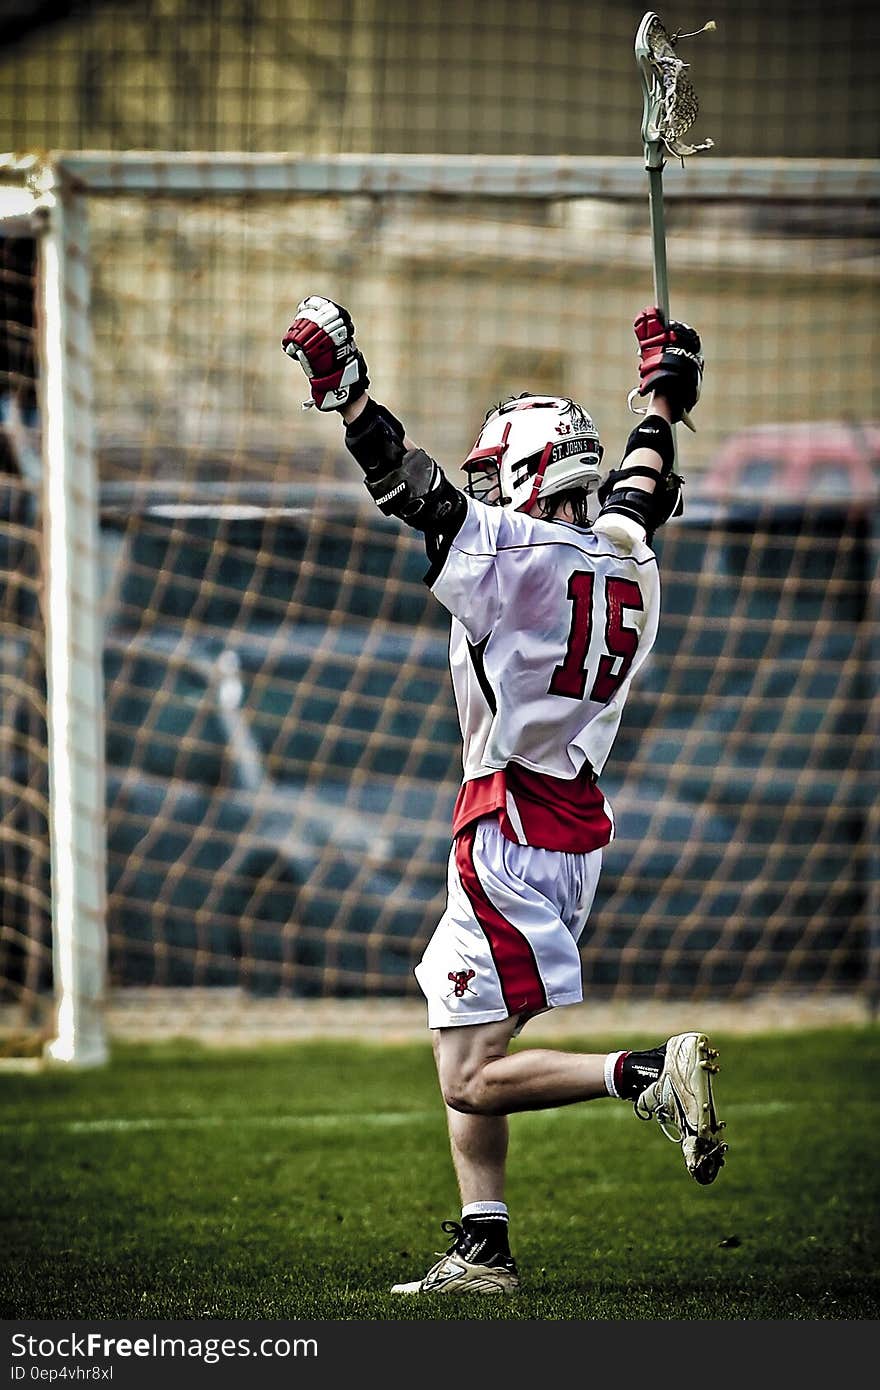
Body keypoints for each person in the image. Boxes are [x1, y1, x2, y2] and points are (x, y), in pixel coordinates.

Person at [281, 295, 728, 1295]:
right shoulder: (628, 557)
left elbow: (411, 488)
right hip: (567, 821)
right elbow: (643, 483)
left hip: (510, 823)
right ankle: (484, 1243)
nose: (485, 483)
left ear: (530, 471)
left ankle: (645, 1073)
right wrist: (660, 395)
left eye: (498, 468)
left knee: (470, 1071)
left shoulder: (510, 559)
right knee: (457, 1024)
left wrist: (346, 393)